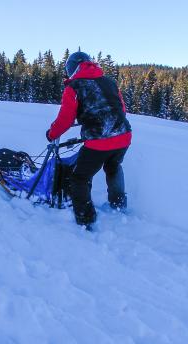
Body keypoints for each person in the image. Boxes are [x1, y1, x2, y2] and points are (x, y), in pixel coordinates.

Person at [45, 51, 132, 227]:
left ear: (72, 68)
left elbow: (65, 120)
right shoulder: (109, 82)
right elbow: (121, 109)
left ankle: (85, 219)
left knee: (80, 178)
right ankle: (118, 205)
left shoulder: (74, 87)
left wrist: (52, 134)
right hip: (123, 136)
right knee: (113, 166)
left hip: (98, 141)